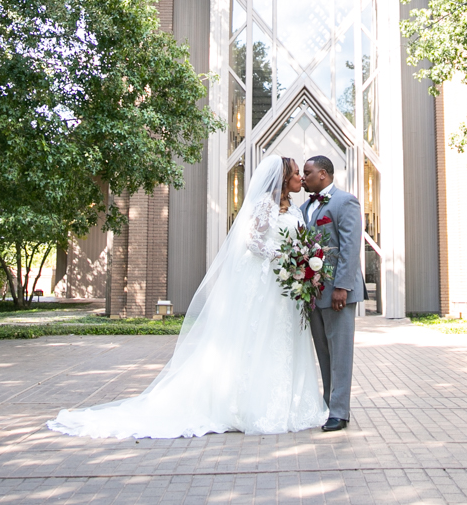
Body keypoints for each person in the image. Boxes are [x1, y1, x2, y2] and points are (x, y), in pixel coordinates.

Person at [47, 155, 328, 438]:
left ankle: (286, 405)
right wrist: (283, 258)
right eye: (296, 173)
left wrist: (301, 261)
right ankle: (248, 406)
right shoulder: (265, 205)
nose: (301, 178)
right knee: (261, 339)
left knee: (280, 341)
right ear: (283, 178)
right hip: (268, 282)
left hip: (283, 289)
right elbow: (252, 241)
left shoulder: (293, 208)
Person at [300, 154, 364, 432]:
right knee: (323, 353)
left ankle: (340, 411)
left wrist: (342, 287)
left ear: (323, 174)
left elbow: (350, 247)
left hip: (338, 293)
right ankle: (328, 406)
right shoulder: (304, 208)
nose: (303, 178)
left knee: (340, 354)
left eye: (308, 173)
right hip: (313, 294)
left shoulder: (344, 201)